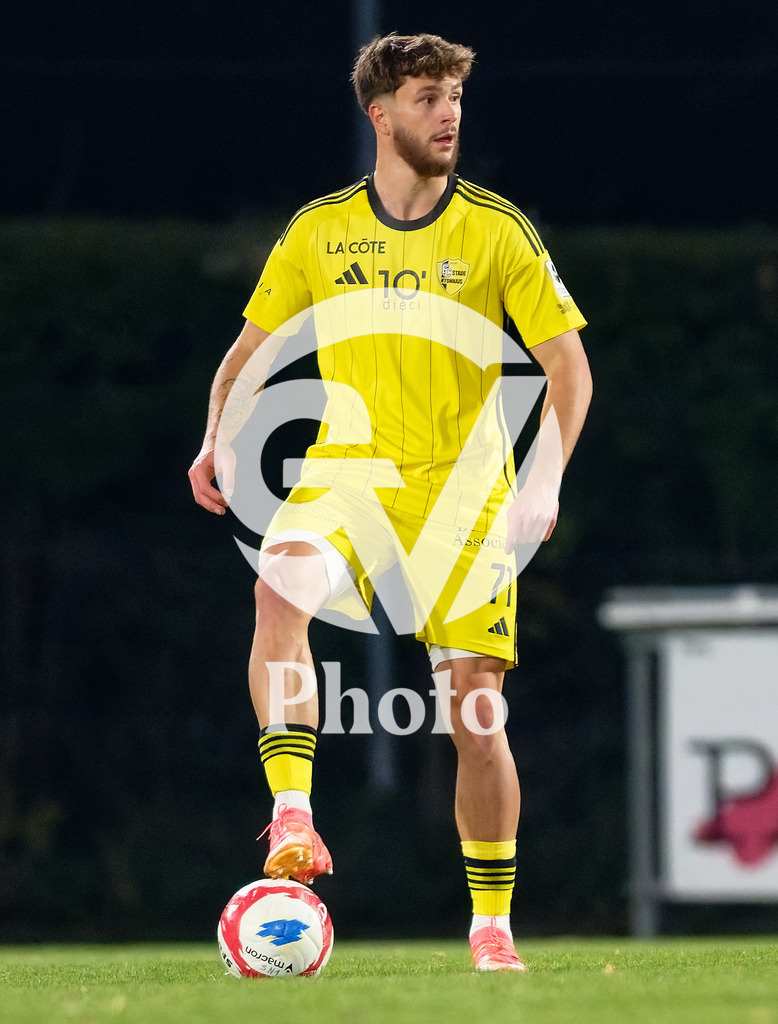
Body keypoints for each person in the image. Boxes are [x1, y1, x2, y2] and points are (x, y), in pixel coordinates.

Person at [189, 32, 592, 972]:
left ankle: (491, 925)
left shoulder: (497, 230)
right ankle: (294, 814)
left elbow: (567, 366)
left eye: (454, 95)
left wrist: (546, 472)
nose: (448, 112)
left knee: (475, 715)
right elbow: (249, 352)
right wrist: (217, 433)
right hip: (349, 474)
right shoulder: (321, 231)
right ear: (380, 114)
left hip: (463, 497)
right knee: (277, 588)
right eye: (426, 96)